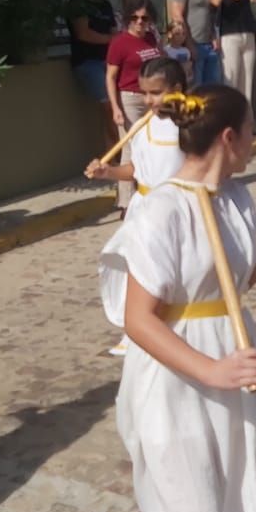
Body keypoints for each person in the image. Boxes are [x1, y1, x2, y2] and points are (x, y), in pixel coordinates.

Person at [92, 87, 256, 512]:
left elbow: (245, 280)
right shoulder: (162, 208)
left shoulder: (239, 200)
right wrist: (211, 369)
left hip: (232, 367)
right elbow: (139, 320)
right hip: (174, 380)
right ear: (229, 137)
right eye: (250, 129)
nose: (254, 138)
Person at [87, 58, 188, 358]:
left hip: (176, 209)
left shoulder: (189, 127)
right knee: (139, 268)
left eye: (156, 93)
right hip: (143, 207)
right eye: (144, 93)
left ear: (177, 90)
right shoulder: (143, 126)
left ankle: (173, 327)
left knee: (174, 272)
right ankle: (135, 328)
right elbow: (134, 169)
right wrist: (108, 173)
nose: (148, 100)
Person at [107, 0, 167, 211]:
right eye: (134, 17)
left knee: (154, 142)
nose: (139, 22)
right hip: (130, 97)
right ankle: (126, 202)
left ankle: (153, 189)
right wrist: (115, 107)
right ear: (127, 19)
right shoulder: (120, 42)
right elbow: (111, 76)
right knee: (130, 147)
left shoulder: (151, 39)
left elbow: (162, 59)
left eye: (144, 18)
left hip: (152, 96)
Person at [67, 0, 118, 124]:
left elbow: (114, 32)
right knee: (110, 108)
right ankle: (118, 149)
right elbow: (83, 34)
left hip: (108, 61)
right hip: (88, 62)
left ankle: (117, 147)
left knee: (122, 102)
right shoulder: (78, 1)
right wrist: (111, 40)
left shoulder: (105, 5)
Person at [168, 0, 221, 86]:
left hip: (209, 43)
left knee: (212, 88)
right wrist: (190, 44)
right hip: (194, 43)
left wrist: (214, 37)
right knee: (196, 88)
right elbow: (177, 15)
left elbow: (210, 11)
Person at [163, 20, 195, 86]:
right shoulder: (166, 50)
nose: (181, 37)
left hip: (185, 82)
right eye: (177, 34)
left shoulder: (186, 51)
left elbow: (189, 69)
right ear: (169, 34)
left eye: (183, 34)